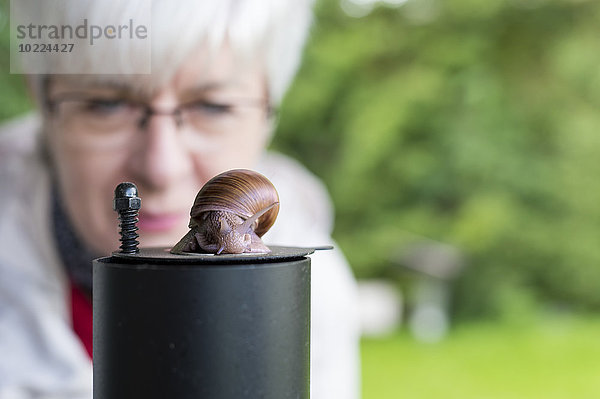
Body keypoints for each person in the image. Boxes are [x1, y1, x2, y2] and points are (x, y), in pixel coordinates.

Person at [0, 1, 360, 398]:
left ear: (269, 115)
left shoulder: (311, 292)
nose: (161, 168)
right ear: (41, 104)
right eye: (106, 104)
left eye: (213, 107)